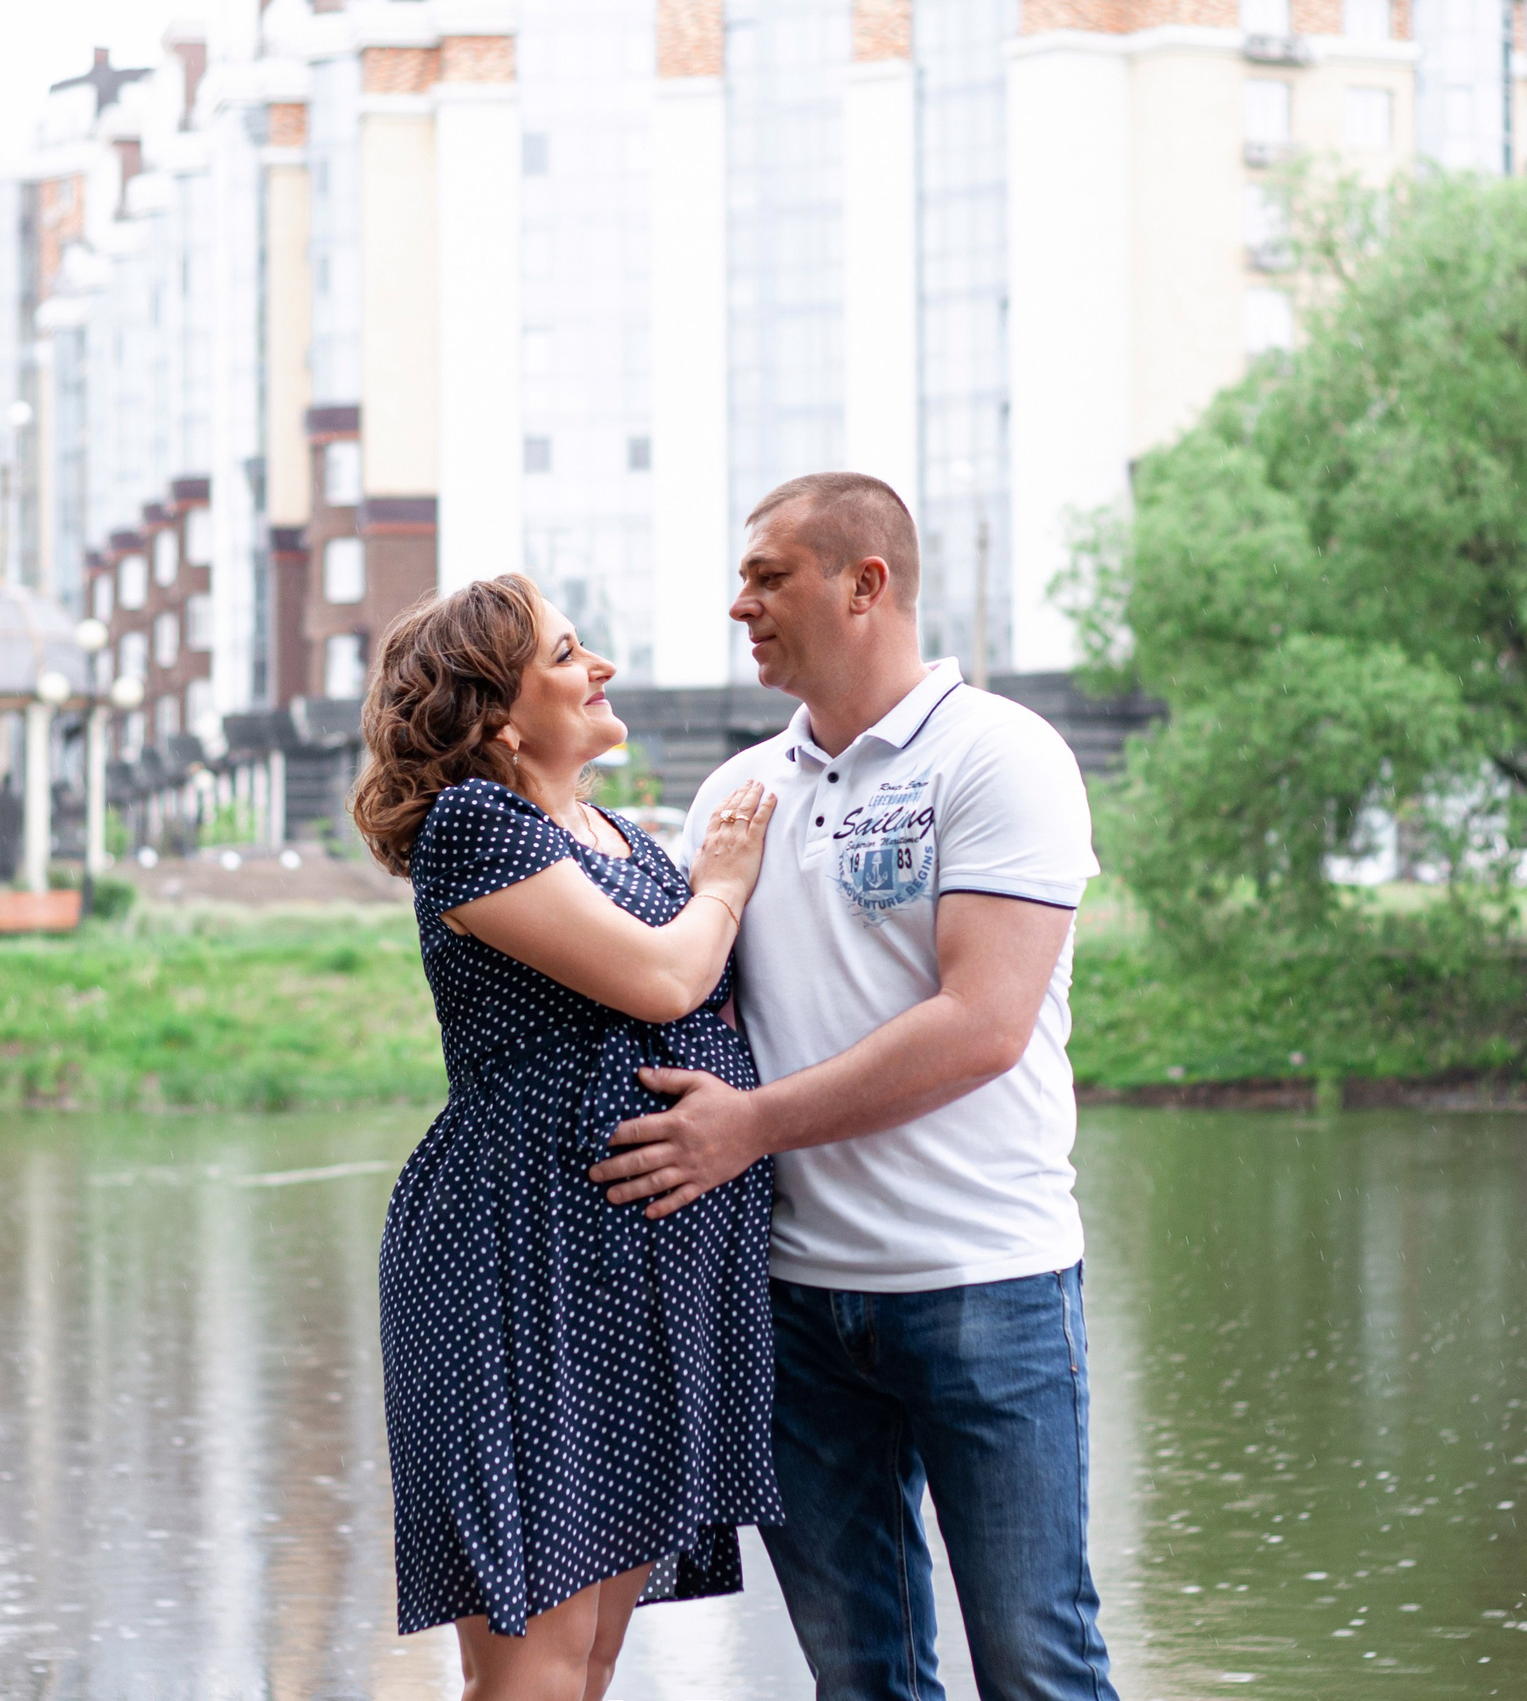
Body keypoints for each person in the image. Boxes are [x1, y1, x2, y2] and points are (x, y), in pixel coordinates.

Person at [592, 472, 1118, 1701]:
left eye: (768, 578)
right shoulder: (735, 797)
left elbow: (981, 1026)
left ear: (864, 584)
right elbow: (683, 1001)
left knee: (1036, 1663)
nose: (740, 606)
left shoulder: (1001, 756)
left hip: (983, 1284)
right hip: (792, 1305)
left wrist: (748, 1128)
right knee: (861, 1682)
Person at [351, 572, 784, 1701]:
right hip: (519, 1263)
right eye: (566, 654)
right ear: (498, 716)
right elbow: (665, 978)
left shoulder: (619, 836)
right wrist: (724, 885)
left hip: (633, 1278)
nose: (601, 668)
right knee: (534, 1665)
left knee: (587, 1659)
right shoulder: (473, 827)